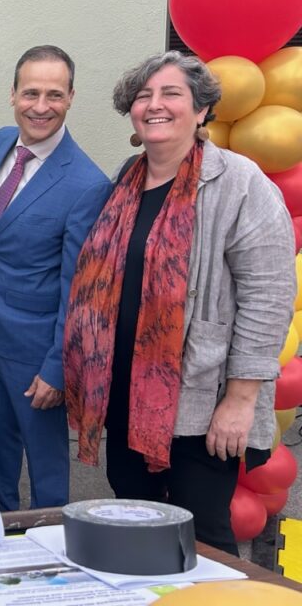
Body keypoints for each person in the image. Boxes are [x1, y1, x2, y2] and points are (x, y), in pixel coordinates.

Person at [65, 50, 295, 554]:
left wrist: (239, 400)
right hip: (125, 394)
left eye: (171, 94)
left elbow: (269, 297)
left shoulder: (239, 183)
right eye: (144, 96)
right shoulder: (127, 178)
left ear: (201, 110)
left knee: (204, 535)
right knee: (137, 522)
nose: (155, 105)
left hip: (200, 400)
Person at [0, 45, 110, 510]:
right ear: (12, 95)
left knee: (46, 465)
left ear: (71, 97)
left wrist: (57, 367)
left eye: (54, 94)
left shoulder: (87, 185)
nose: (41, 106)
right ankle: (4, 534)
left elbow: (79, 288)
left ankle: (51, 548)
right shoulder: (0, 143)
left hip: (36, 353)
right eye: (31, 92)